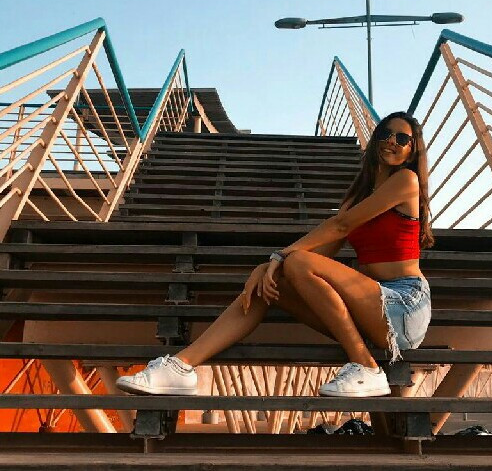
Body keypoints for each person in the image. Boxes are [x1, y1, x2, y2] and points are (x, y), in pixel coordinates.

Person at [116, 111, 434, 398]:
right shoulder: (357, 198)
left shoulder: (406, 181)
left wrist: (279, 257)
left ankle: (365, 367)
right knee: (265, 287)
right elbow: (322, 250)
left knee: (294, 261)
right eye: (386, 134)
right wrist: (269, 268)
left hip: (404, 305)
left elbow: (340, 226)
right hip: (372, 311)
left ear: (412, 150)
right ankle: (181, 367)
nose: (391, 141)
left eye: (402, 138)